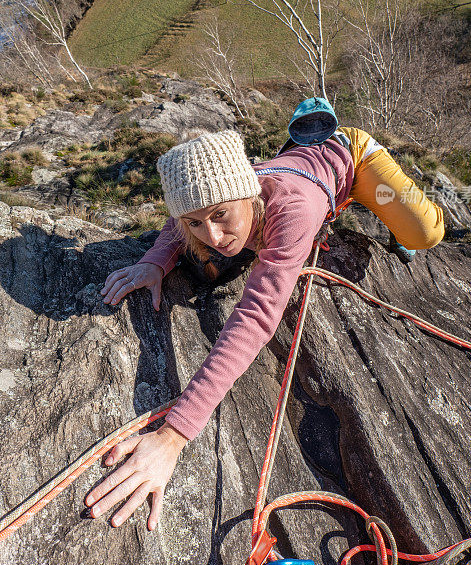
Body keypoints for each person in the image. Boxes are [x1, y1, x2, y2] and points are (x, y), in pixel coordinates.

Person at [85, 120, 445, 531]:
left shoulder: (293, 212)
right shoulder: (221, 198)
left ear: (247, 193)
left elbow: (256, 315)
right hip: (290, 170)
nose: (214, 236)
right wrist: (155, 260)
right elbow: (179, 220)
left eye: (221, 215)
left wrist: (173, 435)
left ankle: (370, 176)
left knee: (424, 232)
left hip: (352, 161)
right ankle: (296, 151)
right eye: (198, 223)